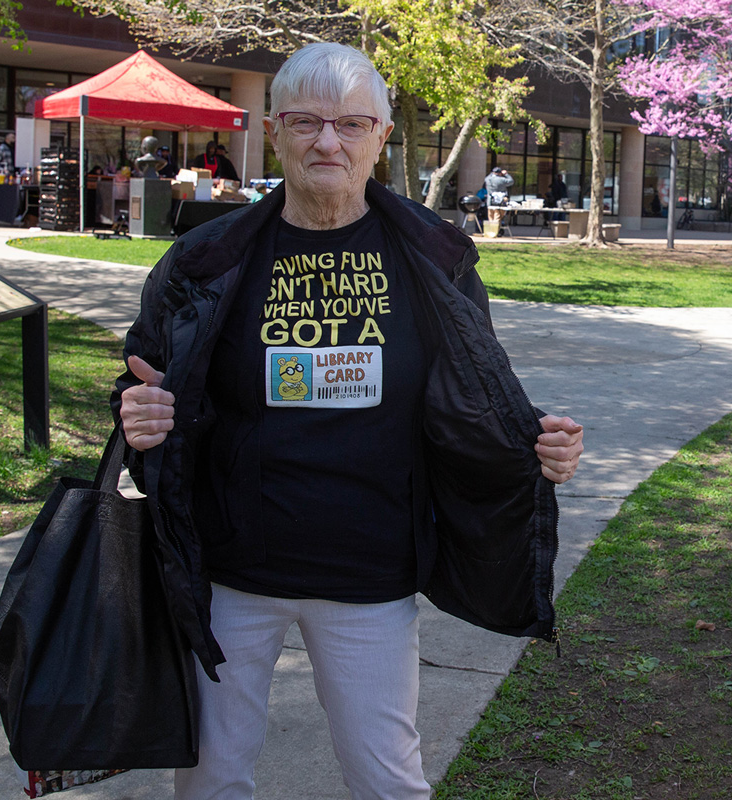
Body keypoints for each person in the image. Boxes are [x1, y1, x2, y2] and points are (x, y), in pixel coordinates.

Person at [114, 42, 583, 800]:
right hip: (233, 571)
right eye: (306, 122)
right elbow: (140, 387)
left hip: (370, 573)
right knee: (208, 780)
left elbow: (480, 395)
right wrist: (139, 417)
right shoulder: (207, 260)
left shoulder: (436, 259)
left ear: (380, 137)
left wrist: (539, 448)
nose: (327, 142)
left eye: (351, 124)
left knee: (387, 781)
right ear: (275, 132)